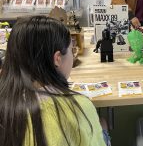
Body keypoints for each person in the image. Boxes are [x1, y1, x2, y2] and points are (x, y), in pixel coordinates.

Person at [0, 16, 108, 146]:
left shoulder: (5, 100)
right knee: (103, 123)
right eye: (71, 49)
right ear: (57, 59)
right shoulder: (78, 106)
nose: (73, 54)